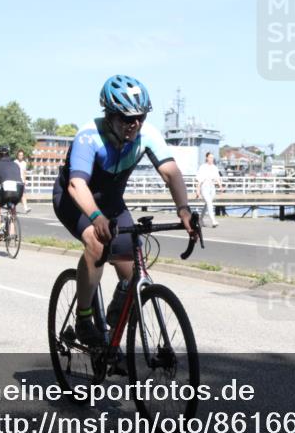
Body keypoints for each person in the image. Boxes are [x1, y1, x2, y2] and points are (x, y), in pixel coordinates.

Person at [53, 74, 197, 347]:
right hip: (74, 200)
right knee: (96, 243)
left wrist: (184, 210)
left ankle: (114, 322)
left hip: (111, 202)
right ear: (109, 115)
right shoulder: (89, 136)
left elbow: (171, 173)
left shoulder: (147, 135)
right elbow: (76, 185)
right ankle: (84, 319)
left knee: (132, 270)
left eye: (140, 117)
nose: (135, 124)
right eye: (127, 118)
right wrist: (96, 217)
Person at [195, 151, 224, 228]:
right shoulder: (203, 167)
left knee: (208, 204)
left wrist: (220, 186)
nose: (211, 159)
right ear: (207, 158)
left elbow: (217, 178)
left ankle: (200, 219)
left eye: (212, 158)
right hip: (204, 186)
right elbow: (199, 179)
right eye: (210, 157)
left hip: (212, 187)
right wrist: (198, 190)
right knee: (209, 203)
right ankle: (213, 220)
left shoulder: (214, 167)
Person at [15, 149, 30, 214]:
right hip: (16, 181)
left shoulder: (24, 163)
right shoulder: (15, 162)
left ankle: (25, 208)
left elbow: (24, 172)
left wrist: (24, 180)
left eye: (22, 155)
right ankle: (12, 208)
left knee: (23, 195)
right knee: (15, 196)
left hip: (22, 181)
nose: (20, 156)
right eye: (19, 155)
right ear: (17, 155)